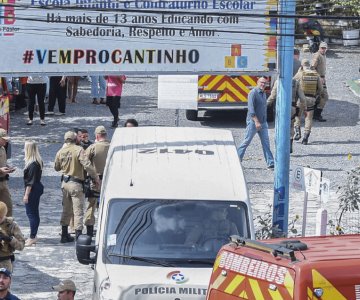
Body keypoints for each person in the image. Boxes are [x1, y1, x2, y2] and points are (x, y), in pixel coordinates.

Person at [54, 131, 100, 242]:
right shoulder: (79, 150)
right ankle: (78, 236)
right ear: (75, 139)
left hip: (65, 184)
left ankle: (64, 235)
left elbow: (57, 167)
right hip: (76, 184)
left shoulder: (60, 151)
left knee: (66, 209)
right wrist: (95, 177)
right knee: (78, 210)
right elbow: (87, 165)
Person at [237, 77, 275, 169]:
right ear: (257, 82)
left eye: (265, 83)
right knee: (246, 141)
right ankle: (237, 160)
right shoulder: (253, 93)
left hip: (263, 123)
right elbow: (251, 109)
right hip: (253, 123)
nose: (263, 84)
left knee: (266, 143)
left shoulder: (264, 94)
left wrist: (264, 121)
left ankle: (270, 163)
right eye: (261, 82)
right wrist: (257, 122)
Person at [267, 77, 306, 153]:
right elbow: (302, 98)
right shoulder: (295, 82)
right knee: (290, 126)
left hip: (281, 108)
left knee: (280, 126)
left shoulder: (278, 81)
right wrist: (304, 108)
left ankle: (280, 146)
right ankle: (290, 146)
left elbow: (273, 96)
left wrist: (266, 104)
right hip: (292, 107)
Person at [84, 126, 110, 237]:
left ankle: (90, 230)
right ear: (106, 135)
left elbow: (85, 162)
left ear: (97, 135)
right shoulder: (112, 146)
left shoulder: (93, 147)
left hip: (95, 180)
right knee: (109, 203)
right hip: (109, 179)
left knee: (91, 204)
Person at [294, 59, 323, 145]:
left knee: (297, 115)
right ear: (309, 65)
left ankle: (297, 131)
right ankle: (305, 138)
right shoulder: (316, 75)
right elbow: (320, 89)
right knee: (308, 118)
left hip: (300, 99)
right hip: (311, 99)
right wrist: (315, 95)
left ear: (302, 65)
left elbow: (292, 83)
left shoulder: (300, 74)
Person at [23, 140, 44, 247]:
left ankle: (33, 237)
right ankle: (33, 235)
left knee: (31, 213)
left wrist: (26, 195)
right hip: (37, 188)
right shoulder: (37, 161)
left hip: (33, 189)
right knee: (34, 213)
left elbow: (30, 182)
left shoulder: (32, 164)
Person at [0, 202, 25, 272]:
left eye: (0, 217)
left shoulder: (12, 226)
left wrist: (9, 239)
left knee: (3, 282)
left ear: (4, 215)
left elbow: (21, 246)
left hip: (4, 262)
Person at [311, 41, 328, 122]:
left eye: (325, 48)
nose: (323, 49)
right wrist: (319, 78)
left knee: (318, 97)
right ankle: (317, 115)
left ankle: (315, 114)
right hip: (318, 80)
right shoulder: (317, 55)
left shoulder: (323, 55)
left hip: (322, 79)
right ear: (319, 48)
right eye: (322, 48)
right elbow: (312, 68)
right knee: (324, 96)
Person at [0, 129, 15, 217]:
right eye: (4, 139)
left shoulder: (2, 148)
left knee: (8, 207)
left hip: (3, 183)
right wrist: (0, 170)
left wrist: (8, 167)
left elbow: (3, 162)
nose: (6, 141)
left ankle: (7, 228)